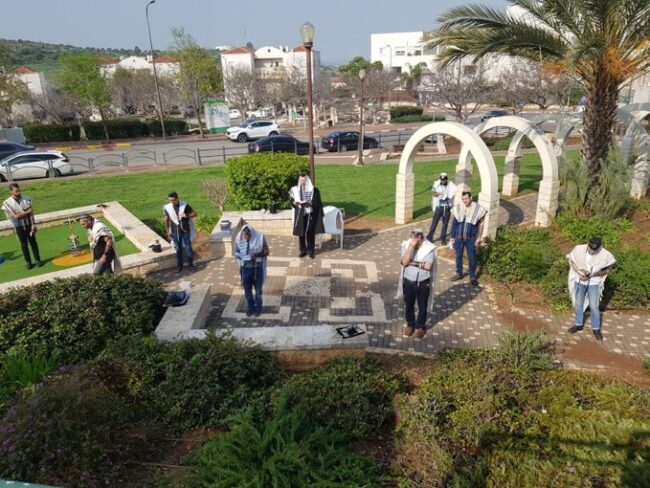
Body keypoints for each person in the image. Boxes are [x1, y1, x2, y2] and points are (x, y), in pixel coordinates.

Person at [566, 236, 616, 341]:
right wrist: (579, 273)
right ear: (588, 244)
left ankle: (596, 329)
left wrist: (593, 274)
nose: (592, 251)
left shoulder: (605, 254)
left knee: (594, 306)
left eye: (595, 250)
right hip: (579, 281)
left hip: (594, 283)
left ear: (599, 247)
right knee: (578, 304)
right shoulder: (579, 249)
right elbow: (572, 262)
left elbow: (606, 271)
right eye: (590, 248)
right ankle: (578, 324)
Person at [396, 228, 436, 339]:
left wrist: (411, 263)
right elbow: (404, 262)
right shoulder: (406, 245)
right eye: (414, 240)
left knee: (422, 306)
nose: (416, 243)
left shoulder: (429, 247)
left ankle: (420, 326)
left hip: (423, 282)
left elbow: (428, 266)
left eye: (418, 241)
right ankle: (410, 325)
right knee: (409, 305)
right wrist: (410, 248)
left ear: (422, 239)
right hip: (409, 281)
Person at [449, 191, 487, 287]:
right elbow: (454, 224)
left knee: (472, 258)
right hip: (458, 237)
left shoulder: (478, 209)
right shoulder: (458, 208)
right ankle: (459, 273)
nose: (464, 201)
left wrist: (479, 237)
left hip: (471, 239)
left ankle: (472, 277)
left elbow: (481, 225)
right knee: (458, 256)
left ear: (471, 198)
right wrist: (452, 237)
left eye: (466, 198)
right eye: (463, 199)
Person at [2, 183, 42, 269]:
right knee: (24, 244)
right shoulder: (7, 203)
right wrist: (27, 212)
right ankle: (28, 262)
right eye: (16, 191)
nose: (19, 192)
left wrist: (34, 224)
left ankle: (38, 260)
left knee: (33, 242)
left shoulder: (27, 199)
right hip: (19, 227)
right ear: (11, 192)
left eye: (19, 190)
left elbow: (31, 213)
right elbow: (15, 216)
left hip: (29, 225)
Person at [233, 224, 270, 317]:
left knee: (258, 291)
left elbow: (267, 251)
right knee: (247, 290)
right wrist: (240, 256)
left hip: (257, 269)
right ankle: (250, 307)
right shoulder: (238, 238)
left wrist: (256, 255)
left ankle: (258, 309)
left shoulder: (260, 237)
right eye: (245, 236)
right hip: (245, 269)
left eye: (249, 236)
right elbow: (235, 252)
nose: (247, 238)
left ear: (252, 234)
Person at [290, 172, 324, 258]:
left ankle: (311, 251)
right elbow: (292, 201)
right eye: (301, 180)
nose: (302, 182)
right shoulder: (296, 189)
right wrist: (294, 203)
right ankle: (303, 250)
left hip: (310, 214)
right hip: (300, 214)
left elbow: (318, 203)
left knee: (310, 233)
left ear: (307, 180)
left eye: (304, 180)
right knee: (301, 233)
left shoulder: (314, 190)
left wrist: (310, 204)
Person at [163, 191, 197, 273]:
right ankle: (179, 266)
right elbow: (166, 220)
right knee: (178, 249)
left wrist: (187, 215)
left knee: (188, 247)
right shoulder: (167, 207)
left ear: (177, 199)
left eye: (173, 200)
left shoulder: (184, 205)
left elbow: (195, 214)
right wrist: (168, 232)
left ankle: (191, 265)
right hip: (175, 231)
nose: (172, 202)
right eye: (170, 200)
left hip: (185, 230)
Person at [426, 172, 457, 244]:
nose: (443, 181)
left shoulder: (451, 185)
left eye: (444, 180)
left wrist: (450, 195)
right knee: (434, 222)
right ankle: (429, 237)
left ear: (447, 179)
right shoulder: (436, 184)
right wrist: (438, 193)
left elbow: (454, 191)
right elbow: (433, 193)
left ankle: (443, 239)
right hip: (439, 206)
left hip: (447, 206)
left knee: (445, 224)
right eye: (441, 180)